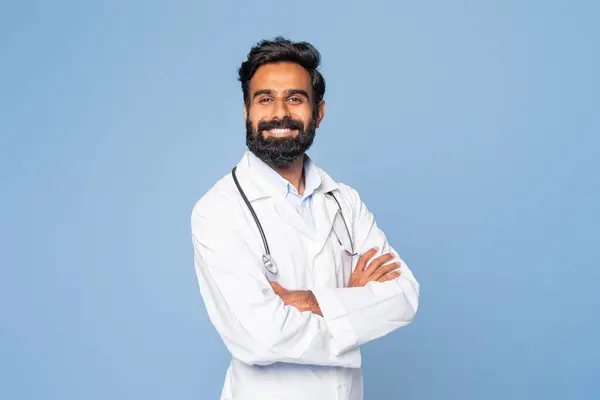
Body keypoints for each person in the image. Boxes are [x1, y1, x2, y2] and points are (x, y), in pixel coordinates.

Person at [190, 37, 420, 400]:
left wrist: (312, 301)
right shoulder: (218, 210)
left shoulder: (344, 200)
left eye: (295, 98)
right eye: (265, 99)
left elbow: (404, 297)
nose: (279, 112)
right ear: (246, 109)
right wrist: (353, 305)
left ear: (319, 112)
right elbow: (260, 339)